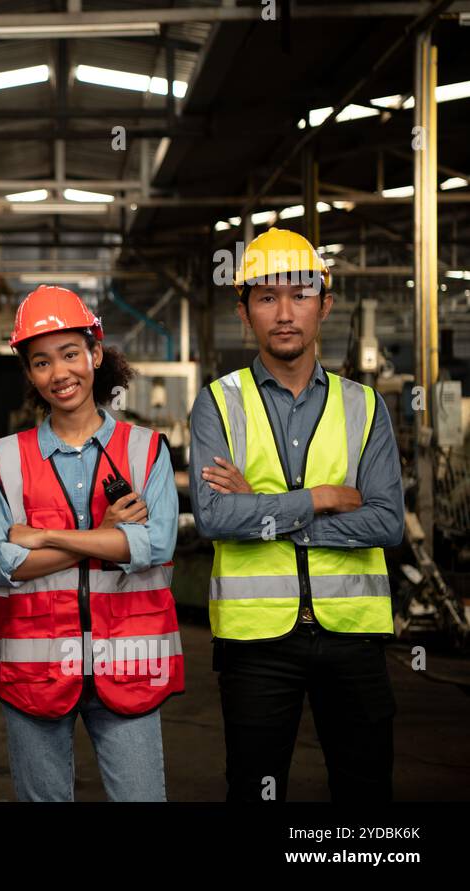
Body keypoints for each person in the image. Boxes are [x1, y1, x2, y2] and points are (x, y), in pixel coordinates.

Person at [189, 227, 403, 802]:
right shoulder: (218, 401)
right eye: (266, 297)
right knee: (255, 791)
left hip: (354, 638)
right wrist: (323, 497)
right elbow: (212, 518)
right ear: (244, 310)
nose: (284, 313)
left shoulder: (366, 406)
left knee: (366, 796)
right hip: (256, 644)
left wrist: (260, 509)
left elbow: (387, 523)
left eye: (300, 295)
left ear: (324, 305)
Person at [0, 285, 183, 801]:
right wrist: (110, 536)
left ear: (95, 354)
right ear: (29, 374)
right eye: (41, 362)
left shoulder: (145, 448)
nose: (59, 372)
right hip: (35, 672)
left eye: (71, 354)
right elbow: (0, 563)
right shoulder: (3, 458)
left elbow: (155, 545)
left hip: (130, 666)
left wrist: (46, 536)